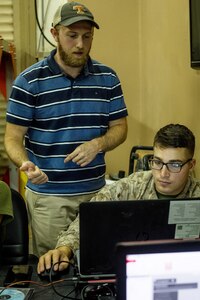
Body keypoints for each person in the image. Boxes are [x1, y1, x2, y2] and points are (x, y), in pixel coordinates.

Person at [4, 1, 128, 257]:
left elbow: (120, 127)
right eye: (72, 36)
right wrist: (25, 164)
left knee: (95, 267)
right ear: (55, 33)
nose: (80, 44)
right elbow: (13, 139)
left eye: (87, 36)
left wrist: (98, 144)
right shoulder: (29, 81)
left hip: (96, 196)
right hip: (49, 201)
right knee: (53, 274)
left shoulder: (108, 78)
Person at [37, 123, 200, 274]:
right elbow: (89, 219)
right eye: (157, 162)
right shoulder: (133, 186)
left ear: (191, 165)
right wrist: (65, 249)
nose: (163, 173)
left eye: (174, 165)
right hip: (134, 271)